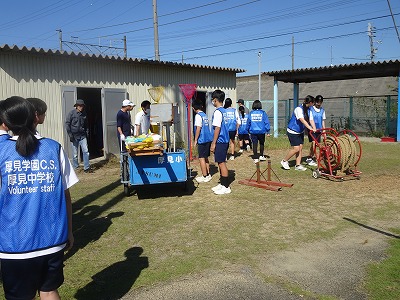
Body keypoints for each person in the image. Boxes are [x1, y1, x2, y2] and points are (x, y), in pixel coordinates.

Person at [0, 96, 78, 300]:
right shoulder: (54, 148)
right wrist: (69, 231)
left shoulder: (2, 151)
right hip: (53, 240)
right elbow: (66, 195)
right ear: (34, 117)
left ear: (6, 123)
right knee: (49, 290)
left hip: (14, 245)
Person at [281, 95, 316, 171]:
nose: (313, 105)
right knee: (296, 149)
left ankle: (298, 165)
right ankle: (284, 161)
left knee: (300, 148)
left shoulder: (309, 110)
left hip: (300, 131)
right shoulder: (298, 109)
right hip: (293, 131)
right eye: (313, 103)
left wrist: (314, 128)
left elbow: (311, 120)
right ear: (310, 102)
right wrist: (310, 128)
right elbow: (302, 120)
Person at [210, 90, 231, 195]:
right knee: (219, 162)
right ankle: (222, 183)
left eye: (212, 100)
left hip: (221, 140)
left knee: (222, 163)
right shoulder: (225, 111)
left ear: (215, 100)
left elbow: (217, 128)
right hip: (224, 140)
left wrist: (213, 143)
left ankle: (226, 186)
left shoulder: (218, 112)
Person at [65, 99, 91, 173]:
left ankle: (86, 167)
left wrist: (87, 133)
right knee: (75, 153)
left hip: (83, 136)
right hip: (74, 136)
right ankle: (76, 167)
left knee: (86, 151)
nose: (81, 107)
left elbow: (86, 125)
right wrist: (70, 135)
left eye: (82, 106)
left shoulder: (84, 114)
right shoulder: (71, 113)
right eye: (79, 106)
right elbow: (67, 124)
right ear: (76, 106)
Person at [192, 100, 213, 183]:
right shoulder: (204, 115)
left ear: (194, 108)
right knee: (206, 157)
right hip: (208, 138)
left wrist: (195, 139)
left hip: (202, 139)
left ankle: (204, 176)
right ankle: (208, 174)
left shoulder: (198, 116)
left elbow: (198, 128)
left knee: (201, 158)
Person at [306, 95, 326, 167]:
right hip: (312, 129)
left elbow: (323, 121)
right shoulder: (311, 109)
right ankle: (310, 158)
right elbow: (311, 119)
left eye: (320, 102)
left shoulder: (322, 110)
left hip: (319, 129)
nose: (319, 104)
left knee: (316, 144)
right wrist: (313, 128)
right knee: (314, 143)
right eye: (318, 102)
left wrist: (324, 131)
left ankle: (309, 157)